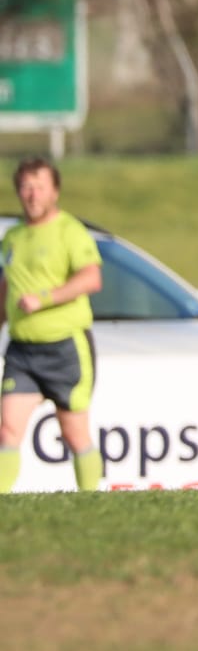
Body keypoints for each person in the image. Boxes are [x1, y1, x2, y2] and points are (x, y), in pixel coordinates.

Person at [0, 158, 103, 494]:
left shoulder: (69, 231)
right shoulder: (12, 237)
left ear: (54, 191)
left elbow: (91, 278)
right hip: (22, 350)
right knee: (7, 430)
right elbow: (7, 286)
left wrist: (44, 298)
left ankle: (91, 501)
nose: (32, 195)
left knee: (74, 434)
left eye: (39, 187)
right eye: (26, 187)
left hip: (64, 347)